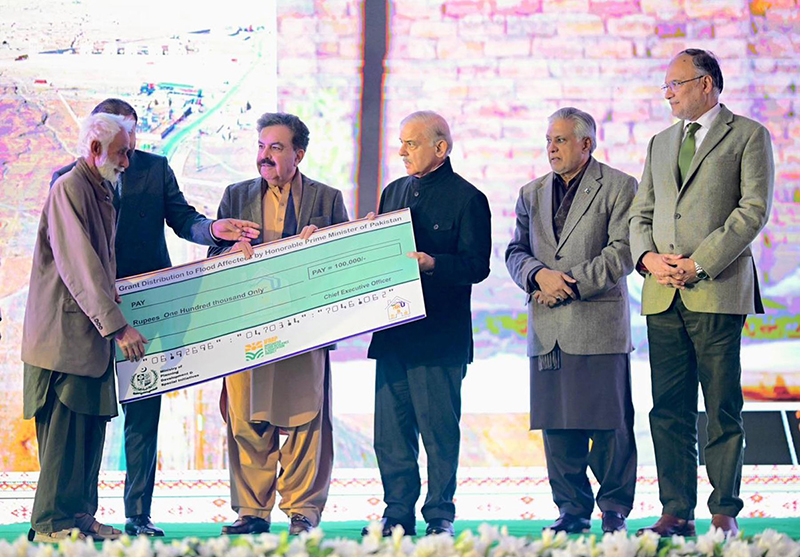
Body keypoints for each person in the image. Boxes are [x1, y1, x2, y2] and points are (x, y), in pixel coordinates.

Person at [51, 99, 260, 537]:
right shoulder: (68, 180)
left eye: (133, 134)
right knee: (89, 413)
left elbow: (183, 219)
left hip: (149, 309)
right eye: (122, 137)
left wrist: (213, 229)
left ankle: (138, 514)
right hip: (94, 312)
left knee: (144, 410)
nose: (129, 147)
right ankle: (82, 513)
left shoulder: (155, 168)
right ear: (101, 137)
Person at [629, 49, 774, 537]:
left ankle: (724, 511)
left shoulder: (748, 135)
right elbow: (640, 213)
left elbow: (752, 211)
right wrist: (648, 260)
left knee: (721, 407)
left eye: (676, 83)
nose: (667, 93)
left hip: (716, 289)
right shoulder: (660, 142)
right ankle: (676, 512)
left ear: (706, 83)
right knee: (667, 409)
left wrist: (699, 263)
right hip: (661, 293)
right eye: (666, 85)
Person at [209, 112, 348, 536]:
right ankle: (252, 511)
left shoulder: (327, 198)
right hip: (248, 326)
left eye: (275, 147)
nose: (264, 156)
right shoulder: (235, 195)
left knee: (308, 420)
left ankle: (303, 510)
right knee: (245, 419)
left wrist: (323, 246)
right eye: (261, 146)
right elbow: (214, 259)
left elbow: (345, 262)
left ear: (298, 154)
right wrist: (229, 253)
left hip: (305, 329)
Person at [505, 107, 638, 534]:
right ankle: (572, 511)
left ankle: (614, 510)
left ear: (586, 144)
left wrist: (568, 284)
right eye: (548, 140)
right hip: (548, 328)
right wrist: (536, 276)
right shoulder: (531, 192)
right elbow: (515, 251)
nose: (551, 148)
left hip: (598, 324)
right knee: (557, 426)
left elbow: (623, 252)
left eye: (560, 140)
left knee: (610, 425)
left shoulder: (619, 186)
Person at [363, 111, 491, 538]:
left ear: (440, 148)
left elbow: (477, 266)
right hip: (394, 334)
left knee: (439, 435)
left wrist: (433, 264)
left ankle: (440, 516)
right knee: (391, 435)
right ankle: (396, 513)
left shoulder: (468, 198)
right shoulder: (393, 192)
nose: (401, 151)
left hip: (440, 338)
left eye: (411, 143)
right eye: (401, 142)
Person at [22, 113, 148, 542]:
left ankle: (79, 516)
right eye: (121, 154)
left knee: (88, 433)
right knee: (64, 435)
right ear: (95, 150)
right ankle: (52, 522)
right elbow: (81, 268)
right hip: (63, 341)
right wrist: (119, 329)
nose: (126, 163)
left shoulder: (100, 190)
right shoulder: (70, 188)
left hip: (87, 340)